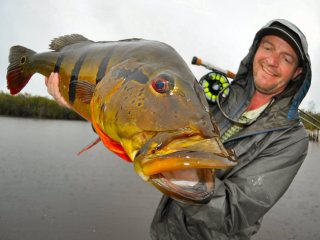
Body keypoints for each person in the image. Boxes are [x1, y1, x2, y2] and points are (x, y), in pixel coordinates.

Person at [45, 19, 312, 239]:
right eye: (268, 48)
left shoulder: (291, 140)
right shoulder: (217, 98)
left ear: (297, 73)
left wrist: (168, 163)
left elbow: (233, 214)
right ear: (256, 51)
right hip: (163, 232)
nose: (272, 61)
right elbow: (144, 137)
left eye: (286, 58)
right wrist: (86, 107)